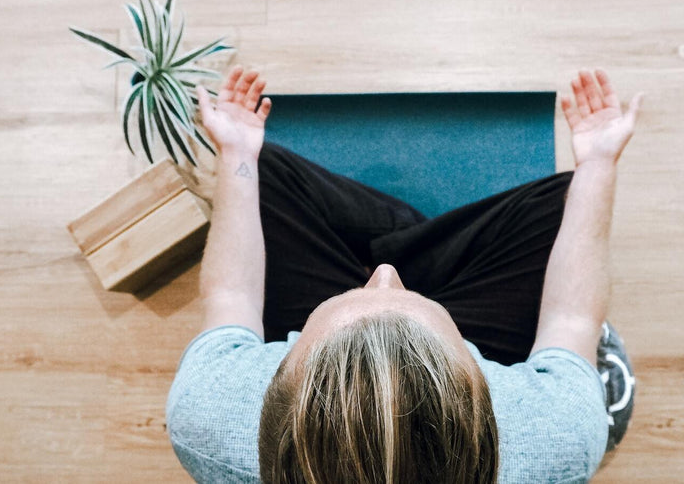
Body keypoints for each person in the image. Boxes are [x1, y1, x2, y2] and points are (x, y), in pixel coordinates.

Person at [166, 65, 642, 484]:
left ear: (275, 384)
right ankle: (417, 237)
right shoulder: (553, 439)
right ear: (484, 391)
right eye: (407, 299)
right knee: (560, 204)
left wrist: (237, 156)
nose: (387, 275)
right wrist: (598, 162)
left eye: (362, 291)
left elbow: (232, 295)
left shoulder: (210, 416)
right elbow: (572, 321)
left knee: (265, 170)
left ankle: (402, 233)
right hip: (501, 343)